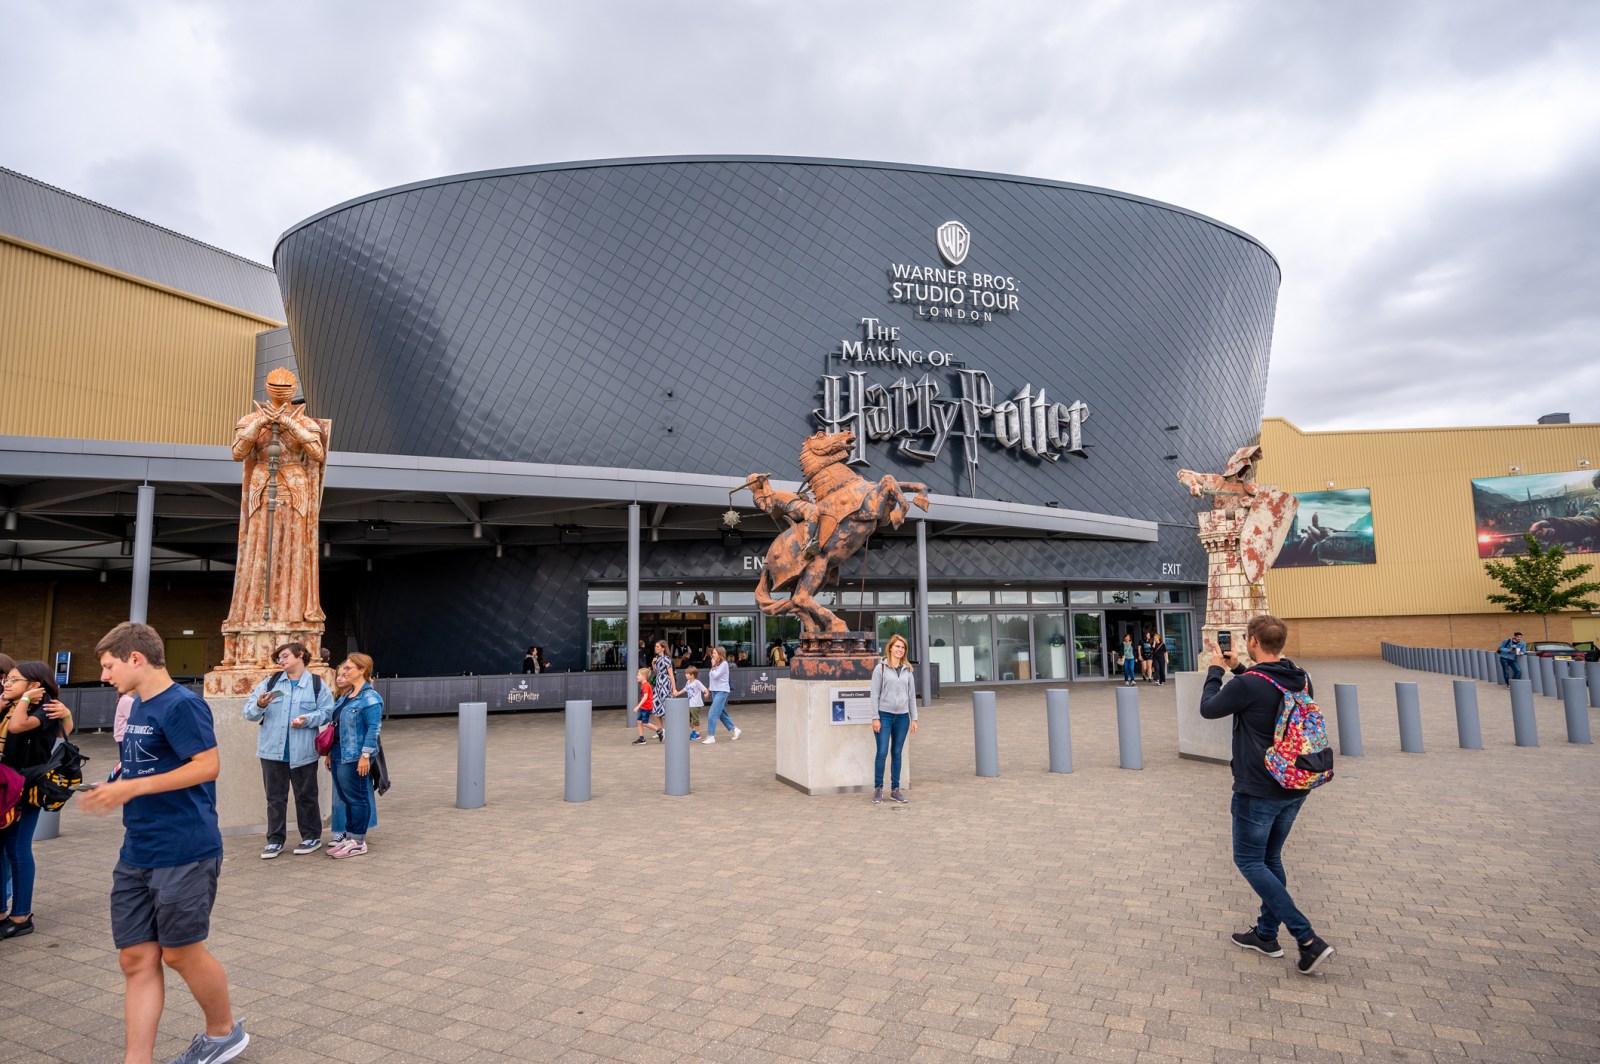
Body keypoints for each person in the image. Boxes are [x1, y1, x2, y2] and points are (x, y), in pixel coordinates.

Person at [79, 621, 248, 1064]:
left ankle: (223, 1033)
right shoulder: (137, 705)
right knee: (135, 958)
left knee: (179, 953)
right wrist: (115, 781)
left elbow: (206, 766)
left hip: (185, 849)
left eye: (109, 666)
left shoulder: (182, 705)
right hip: (139, 848)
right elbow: (146, 765)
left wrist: (131, 789)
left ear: (136, 658)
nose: (104, 675)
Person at [1199, 614, 1334, 976]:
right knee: (1270, 858)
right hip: (1295, 783)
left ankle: (1307, 939)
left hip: (1258, 788)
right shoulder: (1299, 677)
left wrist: (1215, 671)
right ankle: (1265, 934)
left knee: (1250, 860)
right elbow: (1265, 694)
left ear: (1254, 641)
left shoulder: (1250, 684)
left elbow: (1209, 708)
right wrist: (1239, 667)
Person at [242, 643, 334, 859]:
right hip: (271, 752)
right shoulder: (270, 682)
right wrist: (260, 705)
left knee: (307, 796)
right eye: (279, 658)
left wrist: (307, 719)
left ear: (300, 655)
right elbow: (248, 713)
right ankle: (275, 840)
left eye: (284, 656)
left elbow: (328, 712)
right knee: (275, 798)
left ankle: (311, 837)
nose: (281, 661)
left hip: (303, 753)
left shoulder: (316, 684)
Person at [0, 658, 67, 940]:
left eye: (14, 680)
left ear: (35, 685)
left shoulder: (46, 707)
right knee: (3, 847)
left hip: (26, 786)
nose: (7, 683)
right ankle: (3, 910)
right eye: (7, 679)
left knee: (18, 848)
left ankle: (21, 915)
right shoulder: (11, 704)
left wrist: (26, 698)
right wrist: (9, 697)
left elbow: (17, 728)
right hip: (6, 785)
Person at [326, 654, 382, 859]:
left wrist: (365, 755)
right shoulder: (346, 695)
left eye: (349, 668)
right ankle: (350, 837)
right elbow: (337, 726)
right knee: (346, 797)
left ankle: (359, 841)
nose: (344, 671)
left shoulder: (370, 697)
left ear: (362, 670)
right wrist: (331, 753)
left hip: (356, 755)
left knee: (358, 798)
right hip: (340, 753)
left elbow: (373, 728)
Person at [870, 633, 918, 804]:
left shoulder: (908, 670)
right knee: (882, 752)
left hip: (903, 717)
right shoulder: (880, 668)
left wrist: (914, 718)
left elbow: (911, 696)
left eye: (903, 647)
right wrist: (875, 717)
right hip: (884, 715)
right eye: (897, 646)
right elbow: (874, 695)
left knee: (897, 753)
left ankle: (895, 790)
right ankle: (878, 789)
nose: (900, 649)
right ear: (890, 647)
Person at [703, 646, 740, 743]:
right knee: (721, 713)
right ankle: (735, 729)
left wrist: (713, 666)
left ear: (720, 654)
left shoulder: (724, 664)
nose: (712, 655)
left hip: (722, 691)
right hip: (715, 691)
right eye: (713, 653)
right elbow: (712, 678)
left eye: (714, 653)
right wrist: (708, 690)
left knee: (712, 713)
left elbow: (715, 675)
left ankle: (711, 736)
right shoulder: (716, 664)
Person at [631, 667, 661, 745]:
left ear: (644, 676)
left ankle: (659, 731)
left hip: (646, 707)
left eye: (638, 675)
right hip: (643, 707)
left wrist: (638, 706)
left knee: (644, 723)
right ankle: (642, 739)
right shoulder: (644, 685)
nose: (637, 676)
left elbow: (645, 697)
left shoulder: (646, 685)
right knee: (639, 722)